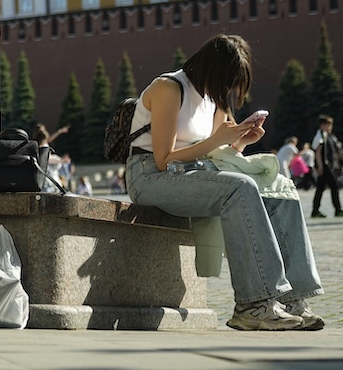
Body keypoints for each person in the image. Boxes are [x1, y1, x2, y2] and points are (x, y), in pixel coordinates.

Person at [124, 34, 324, 331]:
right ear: (213, 70)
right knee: (240, 188)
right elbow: (164, 159)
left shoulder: (212, 99)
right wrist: (219, 139)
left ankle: (292, 299)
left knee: (279, 187)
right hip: (150, 176)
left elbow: (216, 153)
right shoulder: (169, 87)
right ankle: (253, 305)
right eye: (229, 80)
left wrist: (239, 142)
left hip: (196, 173)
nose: (229, 90)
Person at [310, 115, 343, 218]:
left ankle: (315, 210)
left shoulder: (329, 136)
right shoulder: (320, 136)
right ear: (323, 125)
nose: (330, 127)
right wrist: (320, 166)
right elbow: (318, 152)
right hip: (325, 165)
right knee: (334, 186)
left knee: (320, 188)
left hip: (327, 165)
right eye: (328, 125)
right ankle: (338, 209)